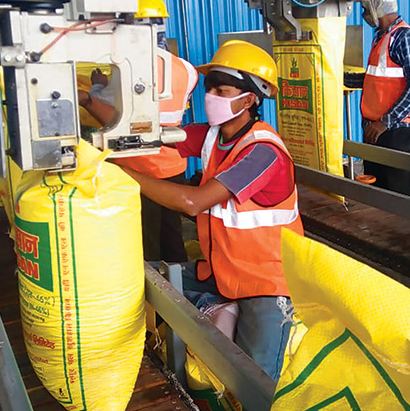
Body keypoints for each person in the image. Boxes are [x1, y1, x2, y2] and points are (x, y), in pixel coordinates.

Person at [118, 40, 304, 381]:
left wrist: (124, 174)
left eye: (222, 90)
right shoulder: (213, 136)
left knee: (256, 380)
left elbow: (193, 201)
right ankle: (217, 305)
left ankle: (221, 310)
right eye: (210, 89)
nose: (211, 97)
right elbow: (153, 137)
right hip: (223, 271)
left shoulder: (264, 153)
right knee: (145, 278)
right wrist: (98, 111)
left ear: (248, 99)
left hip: (268, 284)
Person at [79, 0, 197, 264]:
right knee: (172, 233)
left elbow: (109, 114)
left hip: (138, 169)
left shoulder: (127, 69)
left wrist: (96, 87)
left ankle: (154, 300)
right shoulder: (188, 70)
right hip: (174, 165)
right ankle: (181, 287)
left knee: (146, 241)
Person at [360, 0, 410, 199]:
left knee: (405, 198)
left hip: (397, 132)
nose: (364, 13)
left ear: (378, 2)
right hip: (376, 130)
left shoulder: (404, 37)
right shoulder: (380, 37)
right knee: (380, 196)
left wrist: (384, 122)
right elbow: (376, 79)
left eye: (366, 6)